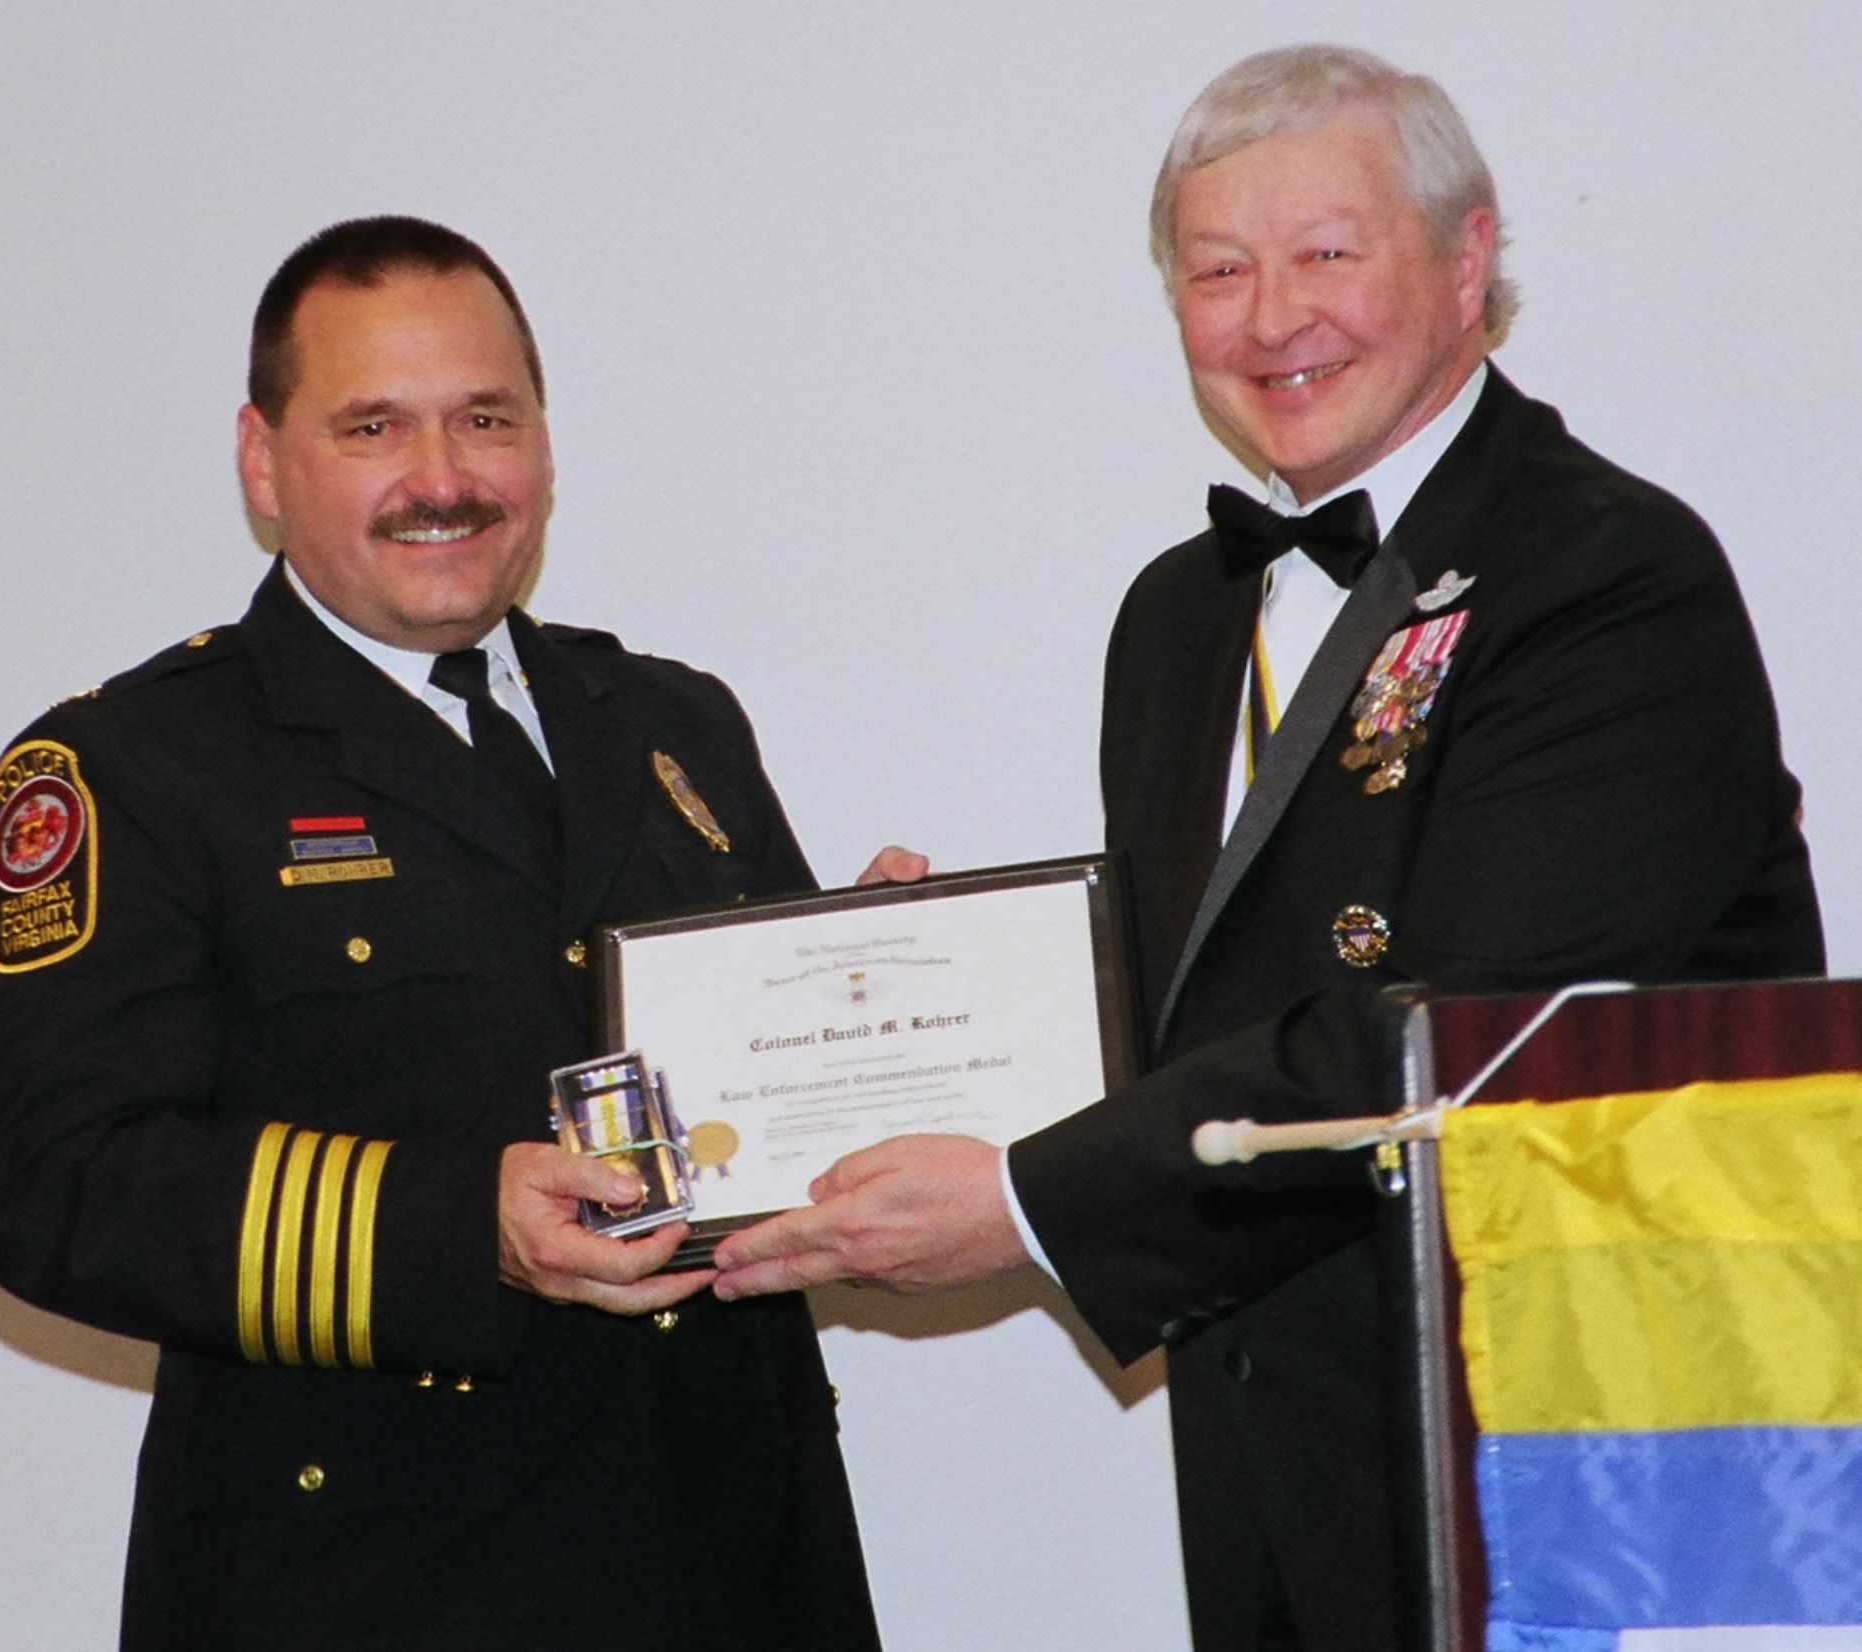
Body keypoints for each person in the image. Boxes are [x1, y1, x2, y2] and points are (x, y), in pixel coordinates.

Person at [712, 46, 1823, 1651]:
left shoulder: (1607, 578)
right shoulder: (1178, 618)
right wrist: (905, 1013)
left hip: (1576, 1470)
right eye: (1218, 271)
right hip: (1271, 1468)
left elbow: (1468, 1037)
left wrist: (1026, 1203)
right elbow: (1208, 1009)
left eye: (1325, 254)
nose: (1271, 317)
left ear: (1465, 261)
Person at [0, 215, 880, 1651]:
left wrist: (872, 1021)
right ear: (265, 464)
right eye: (373, 426)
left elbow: (752, 1124)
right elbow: (57, 1187)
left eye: (484, 419)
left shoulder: (671, 724)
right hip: (366, 1584)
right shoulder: (131, 770)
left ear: (546, 448)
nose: (441, 481)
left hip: (734, 1554)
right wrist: (467, 1229)